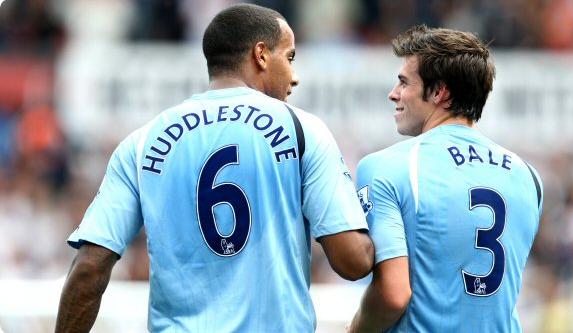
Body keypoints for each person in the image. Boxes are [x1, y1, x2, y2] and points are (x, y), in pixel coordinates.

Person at [55, 4, 374, 332]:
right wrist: (382, 214)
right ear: (261, 55)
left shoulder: (142, 142)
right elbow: (352, 262)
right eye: (289, 57)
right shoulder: (301, 131)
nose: (294, 76)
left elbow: (90, 267)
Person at [348, 25, 543, 332]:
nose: (393, 93)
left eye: (403, 82)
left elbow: (393, 295)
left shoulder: (388, 166)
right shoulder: (528, 176)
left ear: (439, 92)